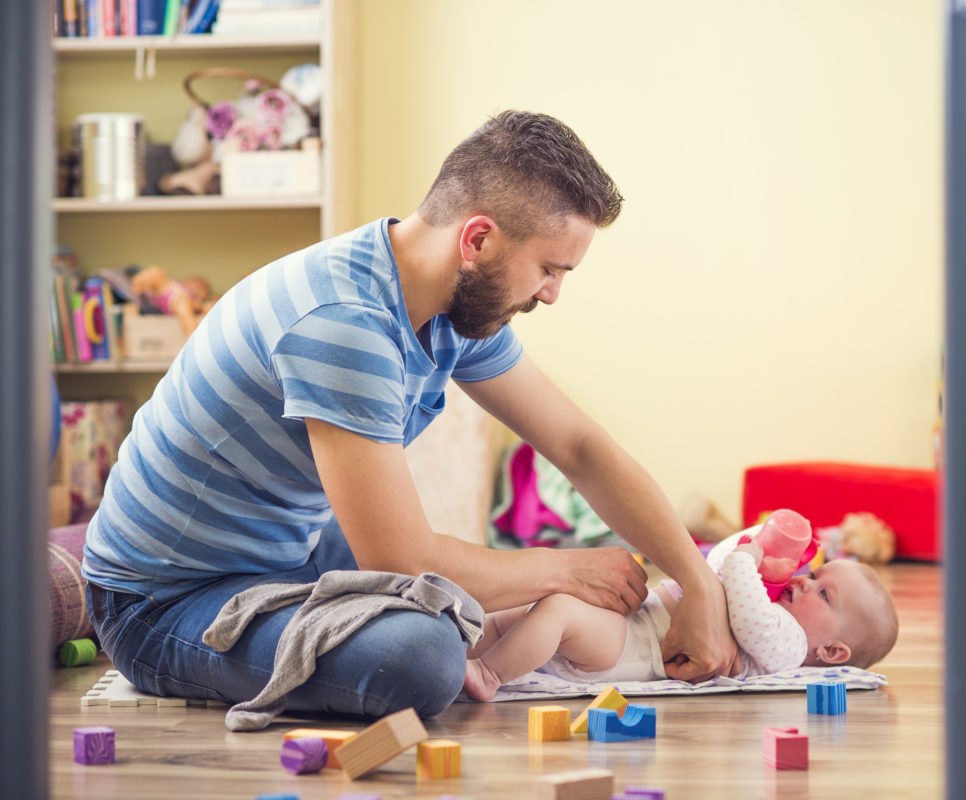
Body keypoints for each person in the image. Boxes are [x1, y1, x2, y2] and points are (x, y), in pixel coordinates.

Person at [81, 110, 738, 722]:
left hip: (287, 551)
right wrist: (565, 567)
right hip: (162, 603)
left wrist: (696, 579)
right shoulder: (344, 323)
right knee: (424, 654)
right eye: (547, 268)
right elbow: (400, 555)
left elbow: (579, 445)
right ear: (478, 238)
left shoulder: (450, 305)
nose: (551, 294)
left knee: (461, 600)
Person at [462, 527, 900, 701]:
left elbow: (747, 613)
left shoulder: (787, 644)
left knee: (557, 612)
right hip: (635, 625)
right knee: (528, 611)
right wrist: (754, 543)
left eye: (824, 594)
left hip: (633, 650)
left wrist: (747, 563)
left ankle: (489, 674)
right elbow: (713, 568)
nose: (804, 581)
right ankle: (468, 649)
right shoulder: (769, 602)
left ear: (833, 651)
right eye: (813, 573)